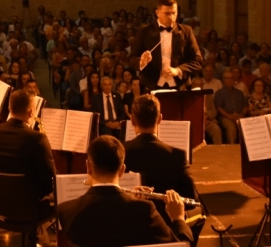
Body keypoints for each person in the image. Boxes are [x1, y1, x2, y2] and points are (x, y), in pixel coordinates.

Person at [57, 136, 194, 247]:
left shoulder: (66, 211)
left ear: (88, 167)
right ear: (122, 170)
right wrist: (178, 218)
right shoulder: (144, 210)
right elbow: (182, 245)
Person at [0, 89, 56, 245]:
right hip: (30, 209)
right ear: (31, 112)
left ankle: (39, 237)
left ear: (10, 109)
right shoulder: (37, 138)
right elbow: (50, 179)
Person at [124, 94, 198, 226]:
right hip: (165, 226)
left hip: (129, 225)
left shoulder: (120, 152)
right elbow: (191, 199)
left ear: (132, 120)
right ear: (159, 119)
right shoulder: (177, 155)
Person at [132, 0, 202, 91]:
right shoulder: (144, 32)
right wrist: (141, 62)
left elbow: (197, 61)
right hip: (151, 85)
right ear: (157, 13)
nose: (171, 17)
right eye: (167, 13)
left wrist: (178, 70)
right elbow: (132, 58)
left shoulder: (186, 31)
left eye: (174, 13)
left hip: (180, 86)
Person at [215, 71, 248, 143]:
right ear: (223, 80)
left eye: (231, 78)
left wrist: (241, 114)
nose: (229, 80)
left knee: (248, 125)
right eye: (227, 78)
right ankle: (232, 148)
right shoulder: (219, 93)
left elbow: (245, 105)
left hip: (240, 115)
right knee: (231, 128)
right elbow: (219, 108)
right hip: (225, 117)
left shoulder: (239, 92)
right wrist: (230, 117)